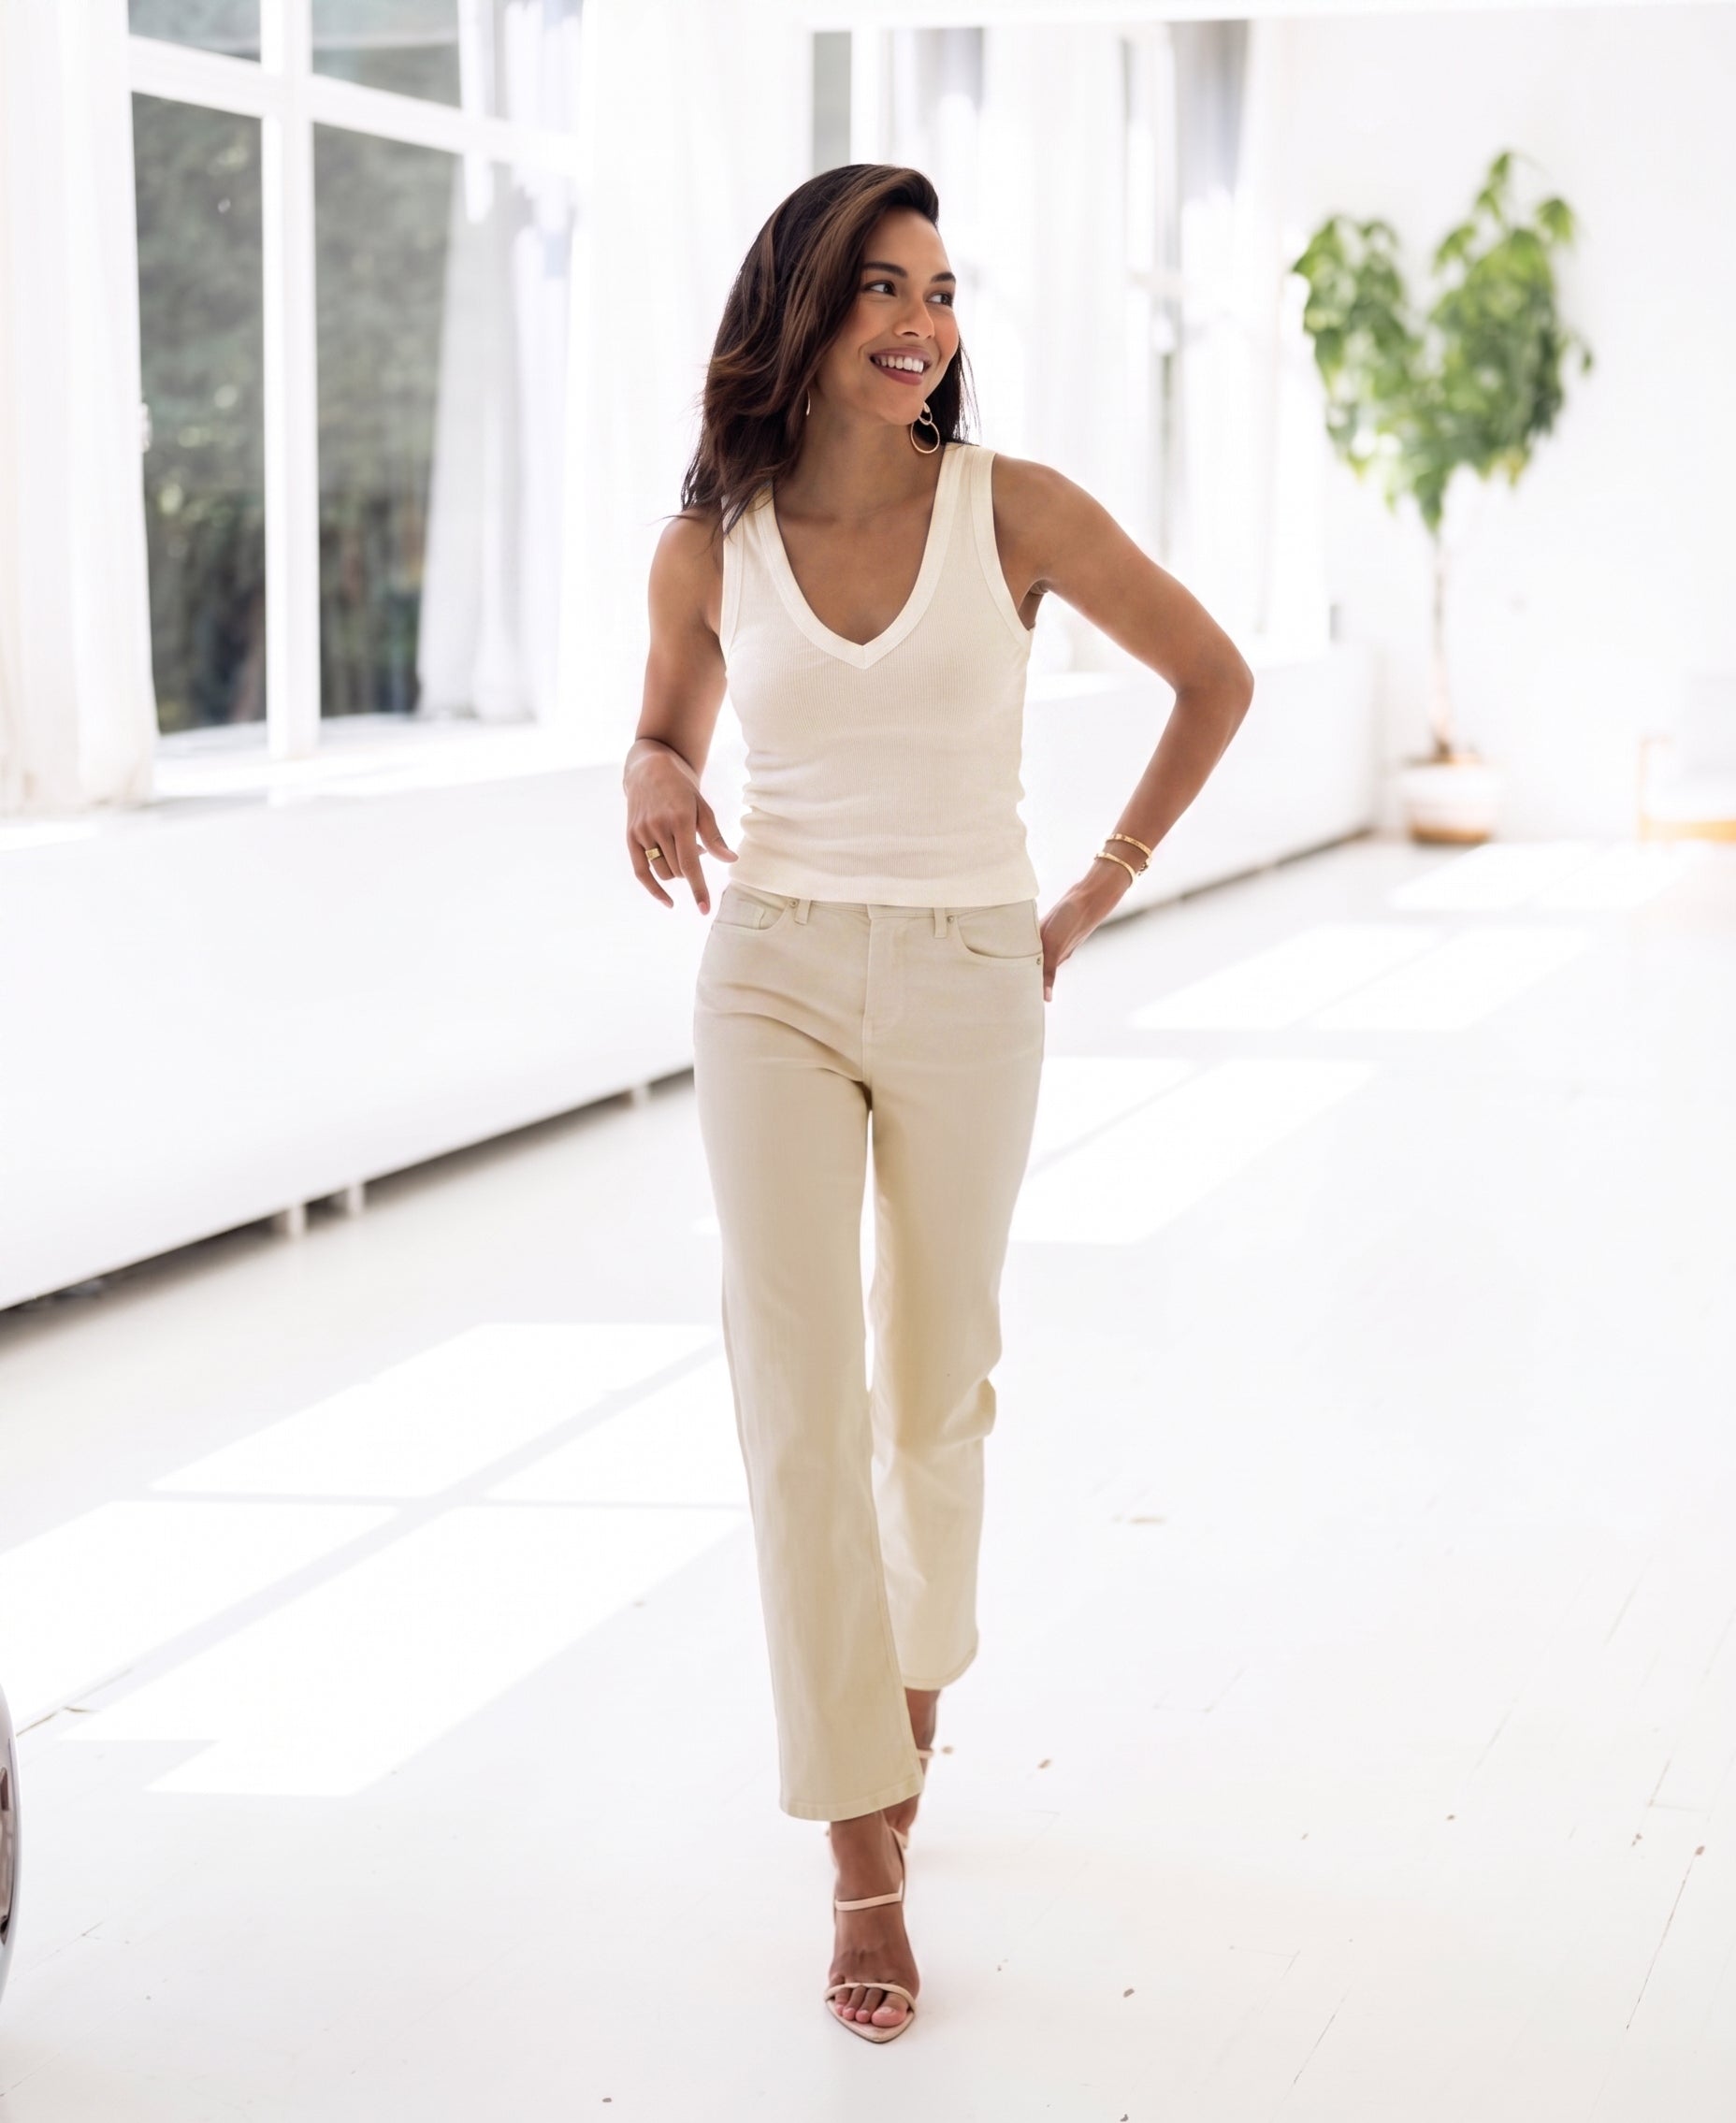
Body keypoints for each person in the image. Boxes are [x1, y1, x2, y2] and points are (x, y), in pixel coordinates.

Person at [622, 164, 1253, 2043]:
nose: (923, 326)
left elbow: (1212, 679)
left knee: (935, 1380)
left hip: (978, 969)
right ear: (800, 321)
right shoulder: (707, 542)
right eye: (883, 291)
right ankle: (862, 1856)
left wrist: (1087, 895)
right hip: (774, 973)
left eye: (943, 291)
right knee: (795, 1400)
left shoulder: (1021, 511)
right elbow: (660, 728)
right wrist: (651, 776)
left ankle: (907, 1675)